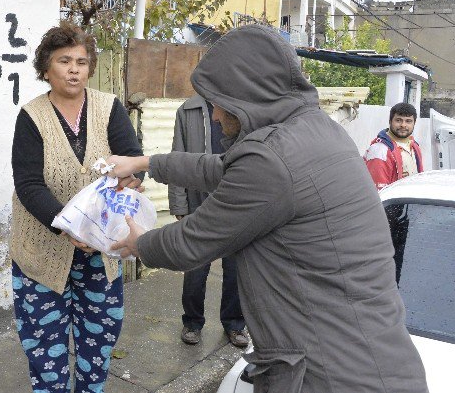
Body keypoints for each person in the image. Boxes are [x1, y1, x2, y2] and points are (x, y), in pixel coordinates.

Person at [106, 25, 428, 393]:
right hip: (373, 360)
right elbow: (221, 168)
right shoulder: (315, 130)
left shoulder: (271, 157)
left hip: (332, 374)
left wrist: (139, 243)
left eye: (217, 102)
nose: (213, 115)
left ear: (246, 95)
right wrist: (144, 162)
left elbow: (192, 242)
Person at [10, 22, 142, 393]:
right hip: (43, 251)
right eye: (64, 60)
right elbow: (29, 184)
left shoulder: (109, 108)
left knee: (97, 346)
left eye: (81, 62)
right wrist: (67, 227)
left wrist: (131, 179)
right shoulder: (31, 116)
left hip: (100, 251)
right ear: (46, 68)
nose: (73, 69)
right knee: (45, 351)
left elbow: (130, 159)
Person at [169, 94, 248, 347]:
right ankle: (192, 322)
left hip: (237, 201)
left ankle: (235, 325)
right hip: (198, 202)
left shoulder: (244, 105)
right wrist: (179, 204)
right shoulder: (189, 109)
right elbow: (177, 157)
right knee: (195, 267)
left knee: (237, 270)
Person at [364, 102, 424, 189]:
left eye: (408, 121)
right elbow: (378, 192)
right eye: (398, 120)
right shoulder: (380, 150)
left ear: (414, 123)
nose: (403, 125)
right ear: (390, 121)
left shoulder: (414, 146)